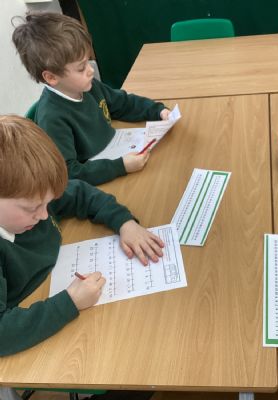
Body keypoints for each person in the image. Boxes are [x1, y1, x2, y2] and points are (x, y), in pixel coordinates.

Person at [0, 115, 164, 357]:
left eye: (48, 203)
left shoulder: (33, 194)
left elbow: (80, 193)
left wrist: (124, 222)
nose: (44, 215)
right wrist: (70, 302)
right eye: (32, 208)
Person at [12, 12, 171, 186]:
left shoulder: (87, 86)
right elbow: (68, 173)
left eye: (88, 61)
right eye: (81, 68)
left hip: (117, 152)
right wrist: (120, 166)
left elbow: (122, 103)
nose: (90, 70)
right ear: (51, 77)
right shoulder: (52, 118)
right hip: (98, 182)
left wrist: (157, 111)